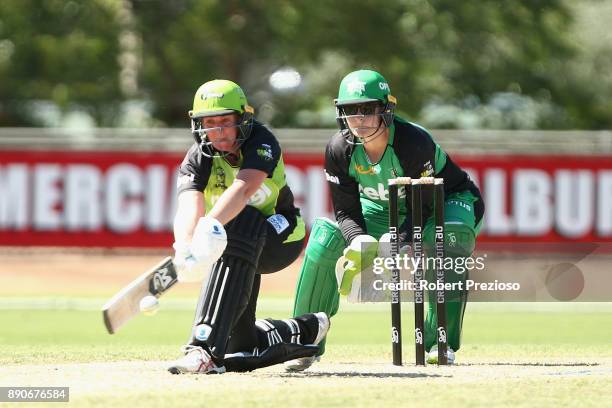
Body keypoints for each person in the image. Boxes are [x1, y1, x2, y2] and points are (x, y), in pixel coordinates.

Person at [287, 69, 484, 370]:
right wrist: (360, 240)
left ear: (385, 109)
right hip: (381, 207)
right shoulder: (338, 149)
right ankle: (304, 339)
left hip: (445, 200)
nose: (360, 118)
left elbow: (427, 207)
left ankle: (439, 342)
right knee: (324, 241)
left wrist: (399, 239)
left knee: (448, 240)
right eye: (351, 110)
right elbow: (345, 212)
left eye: (368, 108)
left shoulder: (412, 142)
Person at [167, 79, 329, 374]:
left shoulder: (262, 141)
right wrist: (185, 245)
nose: (218, 131)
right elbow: (188, 204)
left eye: (225, 122)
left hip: (281, 234)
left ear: (242, 118)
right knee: (241, 347)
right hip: (235, 244)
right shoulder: (197, 156)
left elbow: (243, 190)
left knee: (238, 223)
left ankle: (203, 349)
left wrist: (208, 228)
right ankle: (306, 328)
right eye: (209, 123)